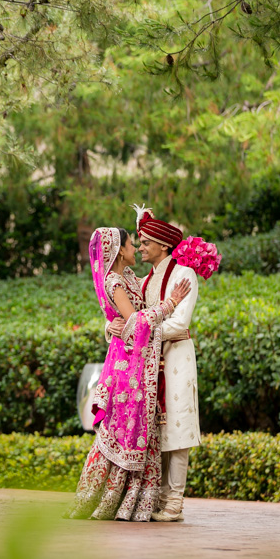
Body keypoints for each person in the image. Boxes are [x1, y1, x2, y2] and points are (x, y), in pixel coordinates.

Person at [66, 227, 190, 522]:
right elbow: (134, 322)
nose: (137, 248)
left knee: (140, 429)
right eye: (133, 244)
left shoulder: (131, 278)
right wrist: (170, 303)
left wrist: (109, 326)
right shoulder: (114, 281)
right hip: (127, 369)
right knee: (124, 428)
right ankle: (105, 499)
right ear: (120, 250)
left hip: (139, 364)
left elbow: (121, 318)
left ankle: (131, 501)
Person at [108, 208, 200, 522]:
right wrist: (115, 328)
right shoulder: (146, 280)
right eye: (140, 242)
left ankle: (174, 501)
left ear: (162, 245)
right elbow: (132, 317)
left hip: (175, 357)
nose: (141, 247)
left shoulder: (183, 274)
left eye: (146, 242)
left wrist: (141, 331)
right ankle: (158, 498)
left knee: (177, 426)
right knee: (156, 429)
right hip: (150, 362)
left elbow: (179, 322)